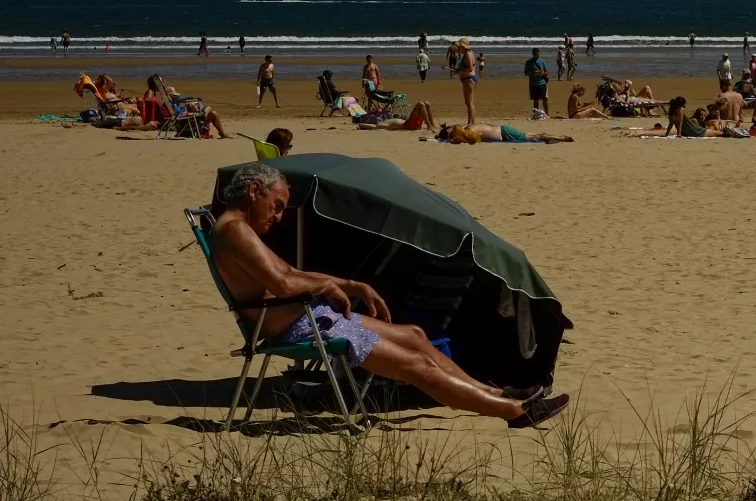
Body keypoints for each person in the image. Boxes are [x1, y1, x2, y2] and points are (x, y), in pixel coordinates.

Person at [211, 164, 566, 427]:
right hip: (302, 327)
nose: (278, 216)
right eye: (276, 205)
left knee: (415, 336)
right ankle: (513, 412)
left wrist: (350, 284)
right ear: (254, 190)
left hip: (313, 316)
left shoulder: (238, 230)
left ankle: (494, 393)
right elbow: (286, 285)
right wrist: (325, 287)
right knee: (415, 366)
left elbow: (290, 274)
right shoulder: (235, 232)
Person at [437, 122, 572, 143]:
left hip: (504, 133)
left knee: (536, 136)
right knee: (533, 135)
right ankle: (552, 138)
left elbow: (473, 138)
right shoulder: (470, 125)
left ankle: (560, 138)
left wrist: (451, 140)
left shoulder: (470, 130)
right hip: (504, 131)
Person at [357, 101, 438, 131]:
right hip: (409, 125)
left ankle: (432, 125)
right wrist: (361, 125)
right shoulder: (381, 124)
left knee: (426, 103)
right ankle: (429, 126)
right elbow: (374, 126)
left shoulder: (386, 120)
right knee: (420, 104)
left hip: (411, 123)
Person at [455, 38, 478, 125]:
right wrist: (459, 70)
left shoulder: (468, 54)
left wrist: (458, 72)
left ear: (463, 47)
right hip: (469, 79)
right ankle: (472, 122)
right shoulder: (469, 53)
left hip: (469, 79)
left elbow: (470, 69)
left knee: (469, 103)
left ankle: (470, 123)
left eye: (459, 47)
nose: (458, 49)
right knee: (470, 102)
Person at [525, 48, 550, 115]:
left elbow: (547, 72)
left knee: (545, 99)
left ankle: (547, 114)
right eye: (536, 54)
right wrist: (533, 73)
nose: (537, 56)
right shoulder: (528, 62)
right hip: (533, 84)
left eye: (538, 54)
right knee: (535, 100)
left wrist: (543, 73)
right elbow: (526, 73)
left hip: (542, 83)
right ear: (533, 54)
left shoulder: (542, 61)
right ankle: (536, 114)